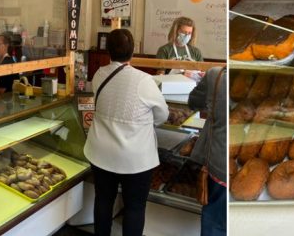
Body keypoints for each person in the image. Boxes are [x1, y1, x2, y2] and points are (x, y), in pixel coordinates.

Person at [84, 29, 169, 236]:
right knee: (135, 207)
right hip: (135, 159)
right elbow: (162, 115)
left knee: (103, 201)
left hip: (101, 153)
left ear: (108, 51)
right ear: (133, 51)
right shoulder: (143, 81)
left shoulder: (99, 74)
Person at [188, 66, 226, 236]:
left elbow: (194, 102)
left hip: (219, 164)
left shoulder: (215, 75)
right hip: (237, 165)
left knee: (214, 224)